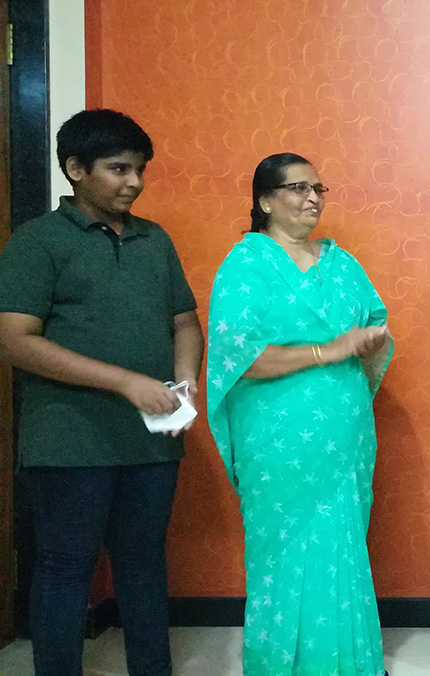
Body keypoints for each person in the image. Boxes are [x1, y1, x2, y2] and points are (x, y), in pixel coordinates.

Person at [0, 109, 203, 676]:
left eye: (139, 170)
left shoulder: (153, 239)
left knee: (143, 567)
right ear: (75, 169)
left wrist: (184, 380)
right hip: (68, 440)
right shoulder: (36, 242)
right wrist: (127, 382)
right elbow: (16, 341)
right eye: (118, 169)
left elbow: (184, 322)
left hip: (151, 442)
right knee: (66, 568)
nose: (133, 182)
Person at [206, 153, 393, 675]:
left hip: (344, 431)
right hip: (276, 435)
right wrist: (329, 351)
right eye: (297, 188)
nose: (313, 198)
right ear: (265, 200)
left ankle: (352, 664)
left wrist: (369, 343)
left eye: (318, 188)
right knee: (283, 550)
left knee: (343, 544)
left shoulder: (342, 262)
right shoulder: (245, 266)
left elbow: (375, 330)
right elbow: (236, 359)